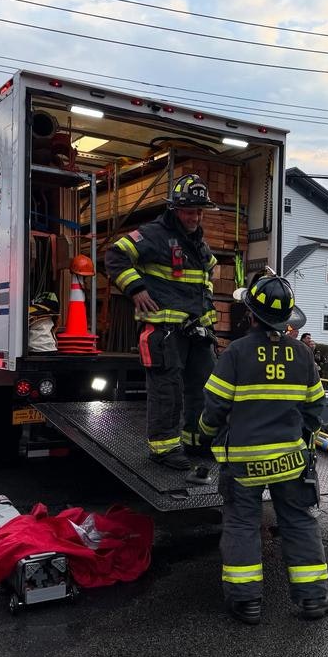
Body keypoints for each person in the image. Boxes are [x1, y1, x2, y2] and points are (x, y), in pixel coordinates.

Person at [198, 274, 328, 624]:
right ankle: (313, 599)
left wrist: (203, 435)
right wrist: (299, 434)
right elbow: (316, 409)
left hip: (244, 464)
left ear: (250, 314)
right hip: (291, 462)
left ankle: (247, 603)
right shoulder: (303, 355)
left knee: (242, 524)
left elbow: (214, 408)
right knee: (299, 522)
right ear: (288, 318)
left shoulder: (236, 353)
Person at [105, 174, 218, 471]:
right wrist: (136, 289)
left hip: (197, 330)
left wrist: (207, 314)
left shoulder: (197, 242)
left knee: (203, 388)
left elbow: (207, 276)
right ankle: (164, 449)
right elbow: (115, 256)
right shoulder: (154, 234)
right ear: (176, 209)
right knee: (167, 390)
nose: (195, 217)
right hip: (165, 331)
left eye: (199, 211)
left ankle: (196, 441)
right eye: (190, 210)